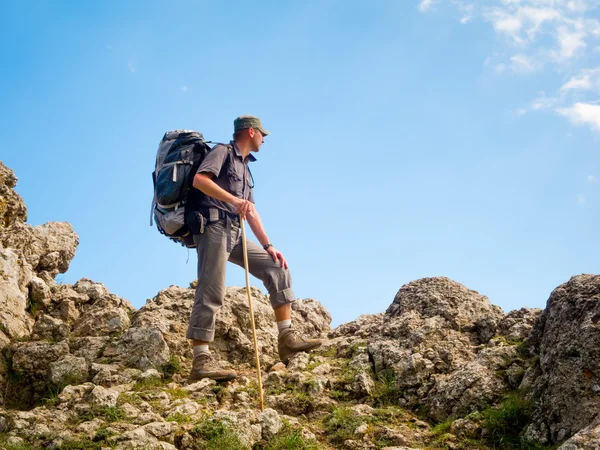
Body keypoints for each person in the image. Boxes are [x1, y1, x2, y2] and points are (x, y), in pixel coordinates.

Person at [185, 115, 322, 382]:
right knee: (211, 290)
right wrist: (232, 200)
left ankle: (287, 338)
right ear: (251, 131)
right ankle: (200, 362)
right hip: (213, 227)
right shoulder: (222, 152)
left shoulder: (246, 168)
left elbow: (251, 210)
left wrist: (268, 245)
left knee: (276, 267)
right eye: (263, 134)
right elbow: (200, 180)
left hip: (235, 232)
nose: (264, 139)